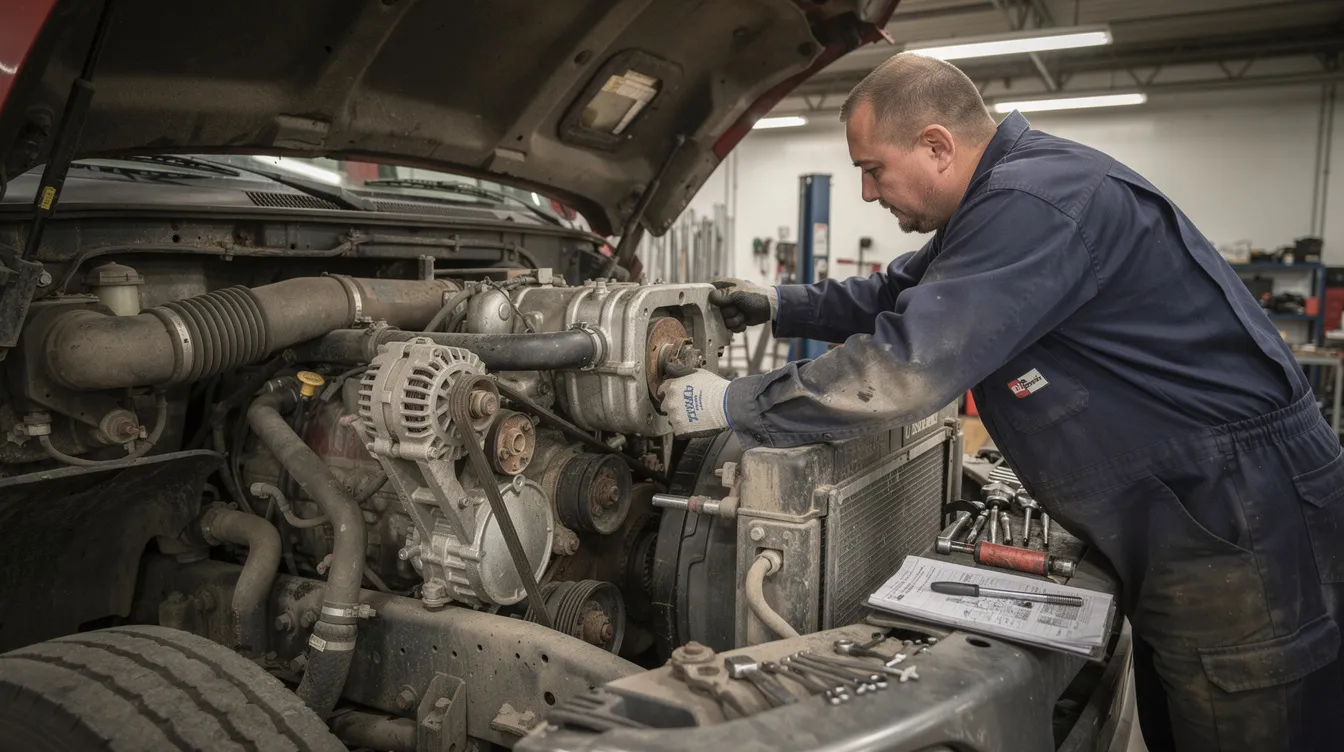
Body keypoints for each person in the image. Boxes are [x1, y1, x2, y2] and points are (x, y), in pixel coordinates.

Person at [658, 53, 1344, 752]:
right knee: (1185, 711)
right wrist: (776, 303)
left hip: (1241, 510)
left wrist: (733, 404)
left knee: (1242, 717)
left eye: (872, 169)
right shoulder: (997, 200)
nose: (867, 193)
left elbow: (907, 365)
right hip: (1197, 503)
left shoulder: (1033, 202)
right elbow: (891, 296)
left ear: (935, 146)